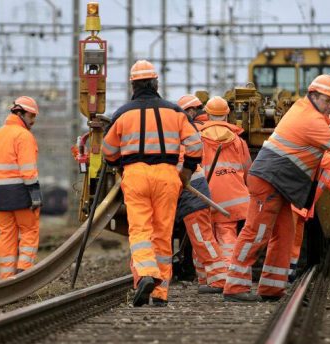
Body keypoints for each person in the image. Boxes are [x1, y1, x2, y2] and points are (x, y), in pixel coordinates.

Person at [223, 74, 330, 302]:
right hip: (269, 181)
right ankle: (234, 286)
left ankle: (272, 288)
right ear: (313, 95)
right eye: (327, 100)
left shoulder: (308, 111)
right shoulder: (309, 119)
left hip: (279, 183)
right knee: (257, 232)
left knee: (284, 235)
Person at [102, 60, 202, 307]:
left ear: (133, 85)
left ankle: (146, 275)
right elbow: (195, 145)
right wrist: (187, 170)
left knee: (140, 230)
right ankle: (160, 294)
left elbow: (108, 151)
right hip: (168, 176)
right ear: (156, 83)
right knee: (163, 233)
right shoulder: (175, 112)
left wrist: (118, 160)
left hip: (135, 175)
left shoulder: (123, 113)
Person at [287, 113, 330, 281]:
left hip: (301, 207)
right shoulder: (316, 148)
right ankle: (279, 277)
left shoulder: (323, 152)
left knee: (294, 243)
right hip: (292, 204)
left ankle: (288, 275)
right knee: (286, 241)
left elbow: (329, 178)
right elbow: (325, 161)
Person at [174, 94, 227, 294]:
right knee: (200, 239)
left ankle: (220, 279)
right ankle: (209, 280)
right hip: (194, 192)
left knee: (202, 238)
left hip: (193, 194)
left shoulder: (183, 135)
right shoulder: (188, 133)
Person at [0, 96, 42, 279]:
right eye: (31, 116)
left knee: (6, 235)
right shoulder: (23, 136)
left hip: (0, 194)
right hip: (21, 192)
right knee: (29, 231)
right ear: (20, 113)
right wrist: (35, 194)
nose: (33, 121)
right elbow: (28, 169)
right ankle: (24, 271)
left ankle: (6, 277)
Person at [196, 96, 252, 263]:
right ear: (227, 115)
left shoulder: (198, 139)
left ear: (207, 114)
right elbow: (249, 171)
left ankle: (210, 276)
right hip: (232, 198)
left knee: (204, 236)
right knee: (227, 235)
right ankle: (230, 274)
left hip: (204, 196)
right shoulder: (238, 142)